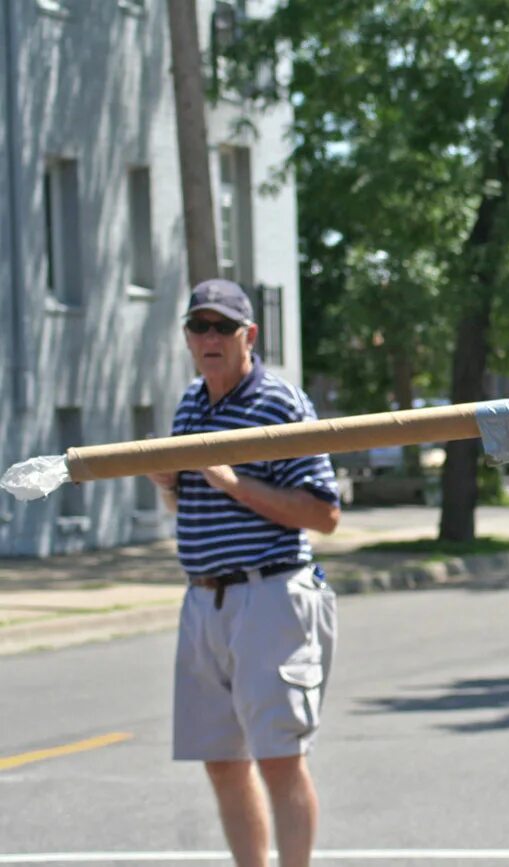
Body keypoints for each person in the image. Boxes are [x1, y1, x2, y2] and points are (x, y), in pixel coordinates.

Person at [148, 278, 341, 867]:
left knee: (279, 756)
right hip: (204, 599)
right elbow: (194, 507)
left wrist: (235, 481)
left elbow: (324, 514)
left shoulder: (280, 403)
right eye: (199, 326)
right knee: (221, 760)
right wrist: (168, 489)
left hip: (272, 592)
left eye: (223, 327)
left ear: (248, 336)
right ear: (186, 336)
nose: (210, 337)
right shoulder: (189, 405)